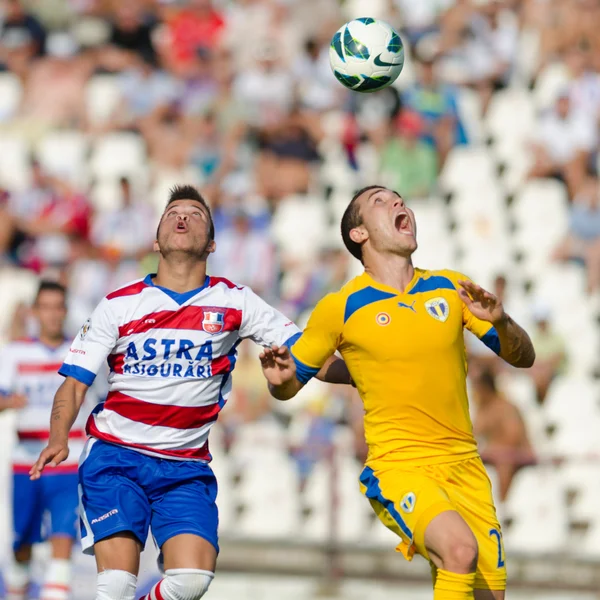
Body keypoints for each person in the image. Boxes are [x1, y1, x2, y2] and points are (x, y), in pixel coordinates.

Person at [29, 185, 350, 600]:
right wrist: (59, 437)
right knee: (115, 585)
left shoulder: (236, 302)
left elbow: (307, 354)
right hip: (116, 457)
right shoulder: (118, 305)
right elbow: (74, 384)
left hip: (183, 468)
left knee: (192, 581)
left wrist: (368, 375)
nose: (182, 218)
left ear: (213, 242)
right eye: (172, 213)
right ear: (156, 239)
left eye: (195, 214)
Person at [259, 185, 535, 599]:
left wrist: (501, 321)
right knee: (460, 551)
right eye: (380, 202)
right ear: (359, 234)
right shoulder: (341, 306)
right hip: (400, 465)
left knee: (485, 591)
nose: (398, 204)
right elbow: (290, 383)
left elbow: (524, 357)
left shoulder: (451, 287)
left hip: (466, 467)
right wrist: (279, 380)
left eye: (400, 199)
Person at [0, 281, 83, 600]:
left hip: (69, 458)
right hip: (26, 460)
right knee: (22, 543)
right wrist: (9, 402)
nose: (52, 315)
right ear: (35, 312)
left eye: (57, 307)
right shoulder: (15, 352)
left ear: (65, 311)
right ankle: (16, 591)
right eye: (45, 307)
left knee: (63, 536)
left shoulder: (79, 351)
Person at [472, 368, 535, 502]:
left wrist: (491, 447)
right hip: (494, 452)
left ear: (485, 388)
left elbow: (513, 437)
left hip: (518, 454)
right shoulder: (483, 408)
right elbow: (473, 434)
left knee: (504, 462)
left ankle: (503, 505)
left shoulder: (506, 407)